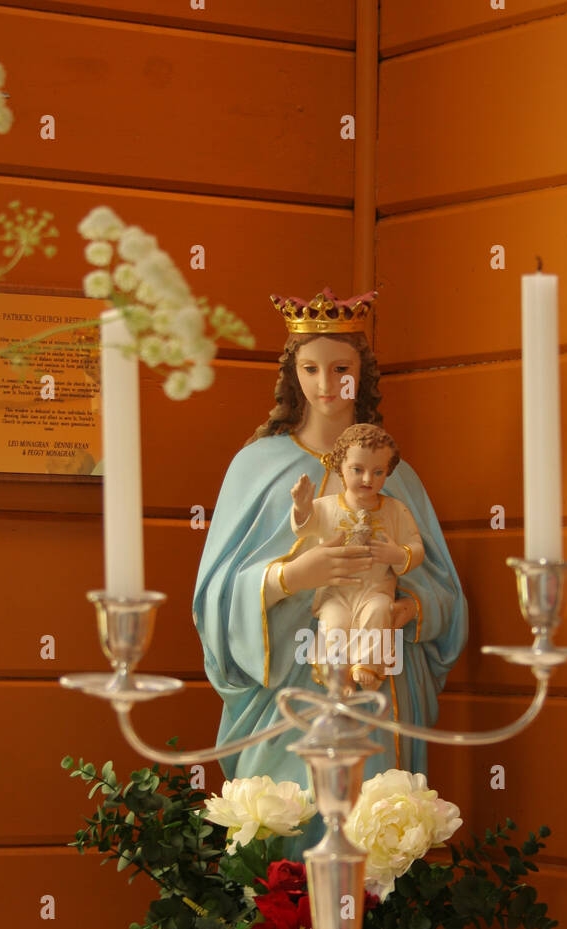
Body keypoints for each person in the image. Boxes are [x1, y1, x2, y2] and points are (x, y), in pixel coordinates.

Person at [192, 286, 467, 799]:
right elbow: (214, 594)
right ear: (293, 375)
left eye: (341, 369)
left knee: (372, 829)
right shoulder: (256, 466)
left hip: (376, 687)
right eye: (312, 369)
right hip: (287, 691)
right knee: (290, 829)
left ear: (361, 376)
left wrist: (408, 610)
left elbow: (446, 596)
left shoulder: (396, 481)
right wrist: (290, 577)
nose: (327, 384)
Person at [290, 422, 423, 690]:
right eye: (357, 470)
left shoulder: (396, 510)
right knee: (334, 623)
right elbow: (304, 528)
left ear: (388, 471)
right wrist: (302, 508)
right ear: (340, 466)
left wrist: (398, 554)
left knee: (378, 611)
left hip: (376, 589)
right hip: (336, 592)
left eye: (378, 472)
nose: (367, 480)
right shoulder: (326, 507)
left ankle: (367, 667)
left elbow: (416, 545)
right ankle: (340, 679)